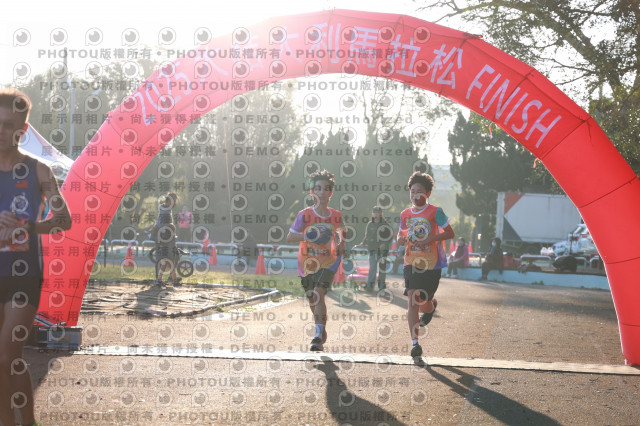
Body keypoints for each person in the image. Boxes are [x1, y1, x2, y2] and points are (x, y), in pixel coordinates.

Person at [0, 88, 72, 426]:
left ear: (23, 129)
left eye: (8, 125)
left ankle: (26, 421)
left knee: (7, 355)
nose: (1, 131)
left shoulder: (40, 171)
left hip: (23, 276)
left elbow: (64, 220)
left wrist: (29, 226)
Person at [397, 171, 454, 358]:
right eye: (412, 192)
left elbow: (450, 233)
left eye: (419, 192)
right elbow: (401, 234)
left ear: (428, 193)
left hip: (432, 263)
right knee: (413, 298)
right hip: (411, 261)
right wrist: (400, 239)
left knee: (424, 303)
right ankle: (415, 343)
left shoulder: (436, 212)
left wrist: (430, 239)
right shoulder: (405, 214)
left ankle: (431, 306)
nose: (415, 195)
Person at [287, 170, 345, 352]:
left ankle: (318, 336)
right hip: (307, 263)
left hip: (329, 261)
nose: (322, 192)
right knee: (312, 298)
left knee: (319, 293)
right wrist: (310, 236)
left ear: (331, 193)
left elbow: (342, 230)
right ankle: (321, 326)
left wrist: (342, 243)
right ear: (312, 192)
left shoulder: (336, 215)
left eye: (326, 189)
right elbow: (290, 237)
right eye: (318, 188)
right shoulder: (304, 215)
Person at [356, 206, 393, 291]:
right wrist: (363, 243)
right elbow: (367, 236)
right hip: (372, 249)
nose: (376, 214)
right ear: (372, 214)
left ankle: (381, 286)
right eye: (374, 213)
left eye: (378, 213)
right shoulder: (370, 224)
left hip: (382, 251)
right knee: (372, 267)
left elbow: (390, 237)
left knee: (382, 268)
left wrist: (384, 244)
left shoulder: (385, 224)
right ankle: (370, 286)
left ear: (381, 214)